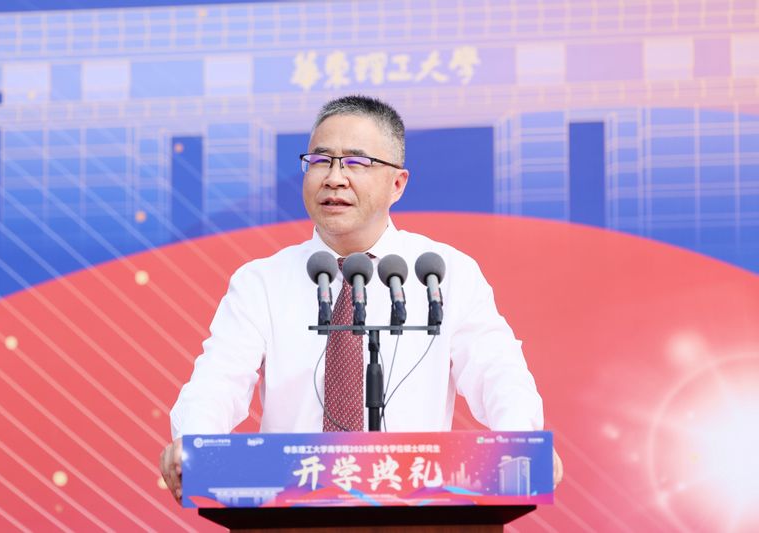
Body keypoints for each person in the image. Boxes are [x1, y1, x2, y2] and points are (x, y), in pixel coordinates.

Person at [159, 95, 562, 503]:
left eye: (356, 162)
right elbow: (218, 380)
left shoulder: (444, 273)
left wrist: (523, 440)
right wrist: (192, 442)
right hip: (291, 513)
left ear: (397, 184)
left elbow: (497, 371)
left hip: (417, 514)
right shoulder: (261, 281)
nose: (334, 178)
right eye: (321, 161)